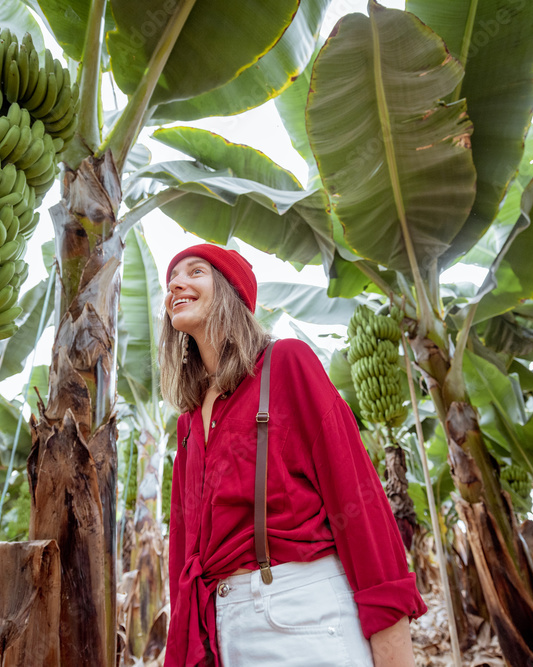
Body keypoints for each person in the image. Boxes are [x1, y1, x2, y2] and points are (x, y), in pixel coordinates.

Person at [160, 244, 427, 667]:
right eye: (172, 277)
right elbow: (183, 548)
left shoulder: (285, 364)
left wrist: (393, 643)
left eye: (196, 272)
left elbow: (356, 496)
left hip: (301, 615)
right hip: (222, 627)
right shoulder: (189, 421)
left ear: (230, 291)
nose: (175, 283)